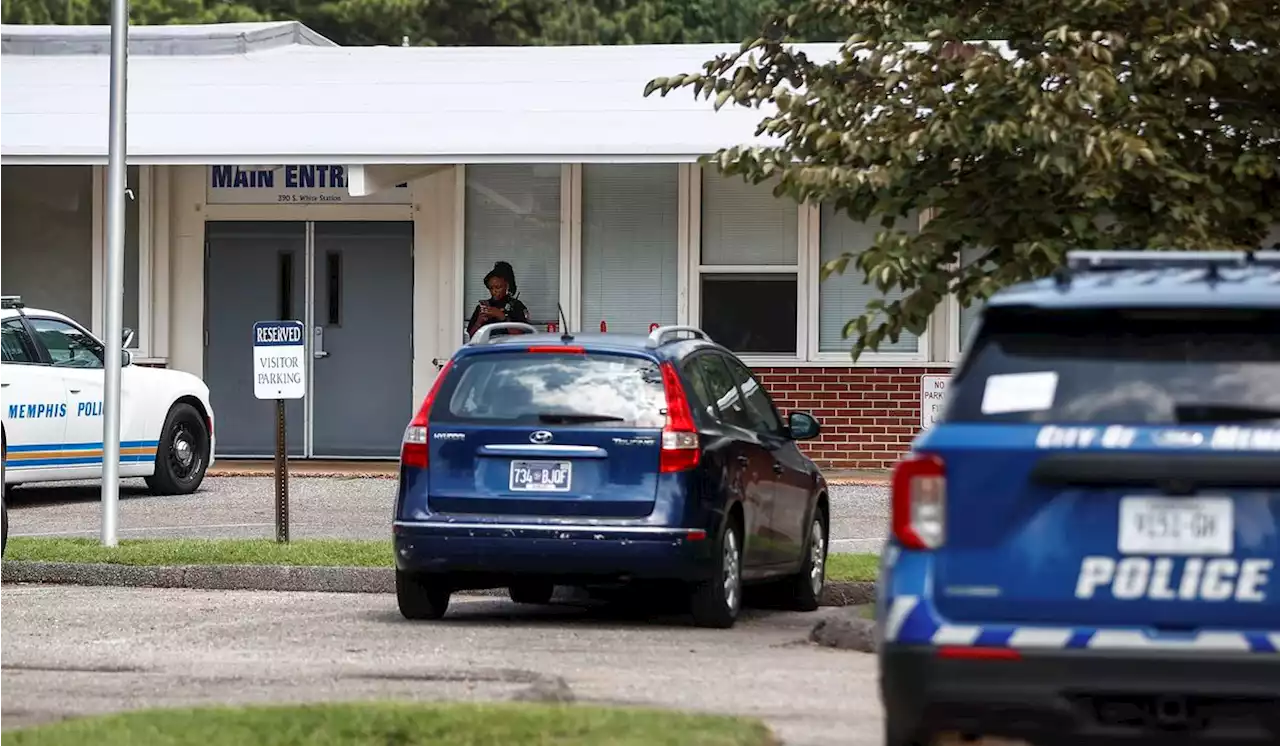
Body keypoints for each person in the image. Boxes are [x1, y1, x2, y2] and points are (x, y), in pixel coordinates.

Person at [467, 260, 531, 338]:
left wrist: (502, 317)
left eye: (498, 287)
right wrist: (479, 321)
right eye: (491, 288)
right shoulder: (483, 307)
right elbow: (471, 336)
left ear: (506, 285)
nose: (494, 291)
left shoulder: (516, 306)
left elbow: (523, 336)